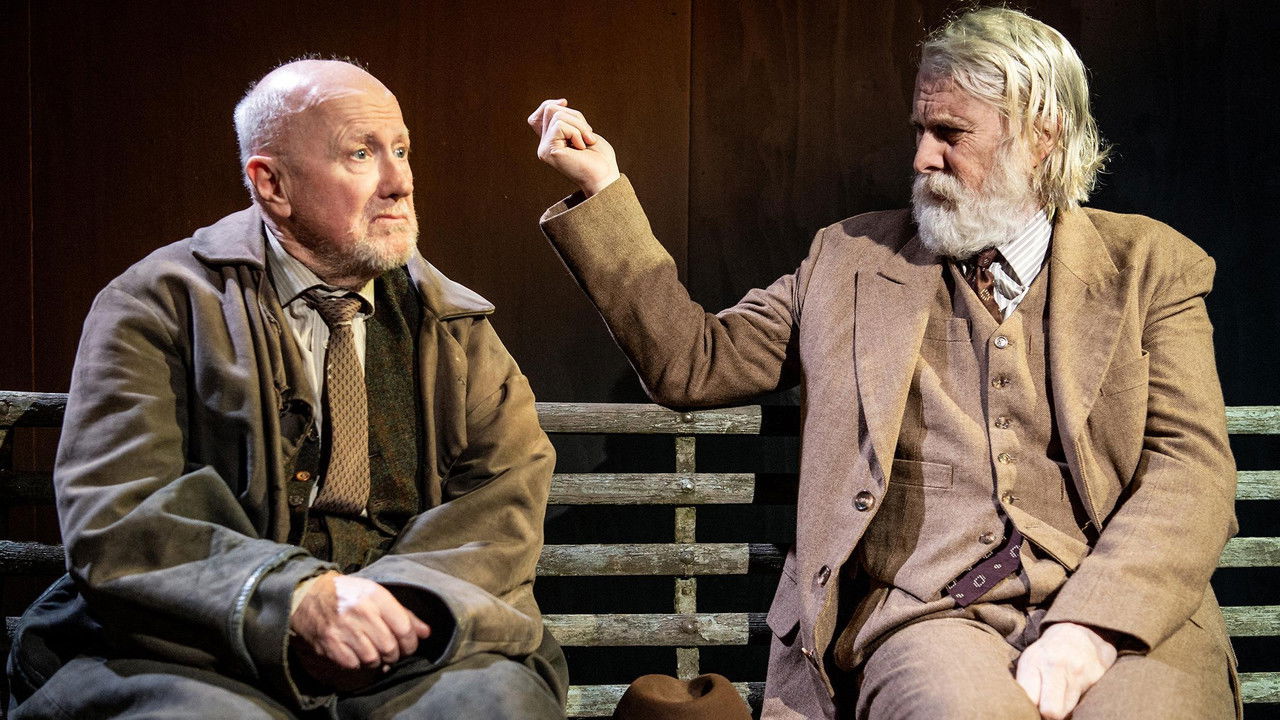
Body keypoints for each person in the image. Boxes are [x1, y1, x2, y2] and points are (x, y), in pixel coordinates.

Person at [532, 7, 1237, 720]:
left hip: (1120, 610)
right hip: (933, 616)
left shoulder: (1149, 267)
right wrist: (601, 190)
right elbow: (694, 361)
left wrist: (1087, 630)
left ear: (1042, 135)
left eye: (950, 134)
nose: (923, 158)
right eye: (919, 131)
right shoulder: (850, 262)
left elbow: (1190, 471)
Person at [8, 59, 567, 719]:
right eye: (361, 154)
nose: (400, 182)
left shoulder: (453, 326)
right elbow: (121, 513)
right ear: (271, 184)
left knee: (494, 704)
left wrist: (393, 607)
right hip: (203, 648)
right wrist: (295, 600)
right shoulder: (159, 305)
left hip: (410, 643)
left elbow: (503, 495)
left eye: (401, 150)